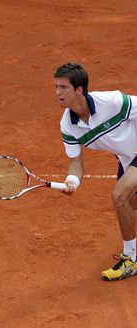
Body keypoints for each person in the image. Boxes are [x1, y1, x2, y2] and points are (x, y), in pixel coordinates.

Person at [54, 62, 137, 281]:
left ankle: (131, 259)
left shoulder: (113, 102)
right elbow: (76, 163)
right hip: (128, 159)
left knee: (119, 195)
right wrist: (72, 180)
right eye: (56, 87)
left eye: (63, 87)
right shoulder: (68, 125)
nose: (58, 93)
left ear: (79, 90)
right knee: (131, 202)